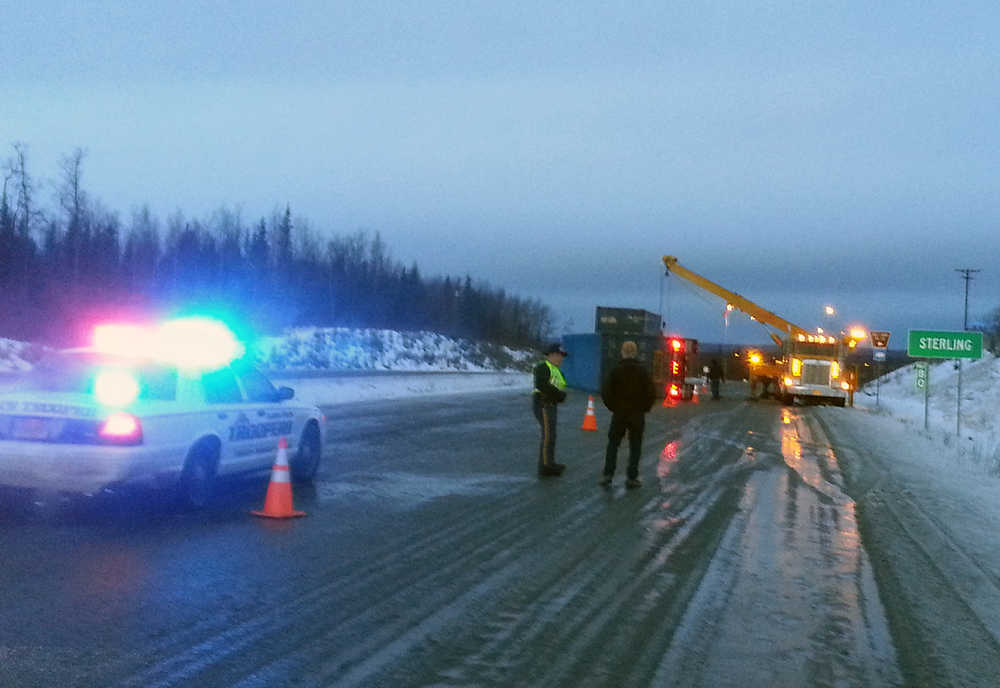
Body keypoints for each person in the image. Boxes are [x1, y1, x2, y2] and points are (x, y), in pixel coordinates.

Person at [599, 340, 656, 489]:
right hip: (637, 415)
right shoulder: (643, 372)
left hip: (619, 413)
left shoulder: (616, 370)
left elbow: (606, 392)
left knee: (613, 444)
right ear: (635, 353)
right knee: (635, 446)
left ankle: (608, 474)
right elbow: (651, 392)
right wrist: (645, 408)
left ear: (622, 352)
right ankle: (632, 477)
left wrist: (614, 407)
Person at [532, 342, 569, 477]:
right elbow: (542, 385)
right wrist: (559, 395)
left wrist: (559, 396)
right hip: (543, 405)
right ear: (552, 355)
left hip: (551, 405)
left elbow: (557, 387)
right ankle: (545, 467)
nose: (561, 359)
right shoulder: (543, 367)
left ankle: (549, 463)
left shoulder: (556, 370)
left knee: (551, 435)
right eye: (560, 355)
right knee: (548, 436)